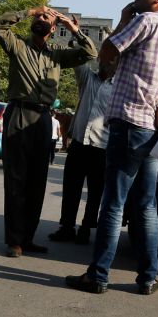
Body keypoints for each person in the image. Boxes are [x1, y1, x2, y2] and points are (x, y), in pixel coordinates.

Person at [66, 0, 158, 295]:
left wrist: (121, 20)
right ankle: (148, 278)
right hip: (152, 130)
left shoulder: (145, 21)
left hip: (129, 124)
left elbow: (107, 51)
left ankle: (98, 275)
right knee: (146, 206)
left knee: (113, 203)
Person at [0, 5, 97, 258]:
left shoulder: (59, 53)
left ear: (53, 28)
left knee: (37, 182)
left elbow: (89, 53)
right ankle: (14, 241)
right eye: (39, 16)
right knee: (16, 180)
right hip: (18, 112)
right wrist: (28, 10)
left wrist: (74, 29)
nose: (41, 19)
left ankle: (28, 238)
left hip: (42, 118)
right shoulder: (17, 46)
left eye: (46, 17)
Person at [48, 59, 116, 244]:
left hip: (101, 148)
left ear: (117, 64)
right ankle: (67, 227)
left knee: (95, 193)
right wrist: (76, 34)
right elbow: (78, 61)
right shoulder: (88, 78)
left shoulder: (117, 88)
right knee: (71, 188)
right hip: (78, 144)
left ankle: (86, 229)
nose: (106, 62)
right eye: (104, 57)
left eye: (111, 59)